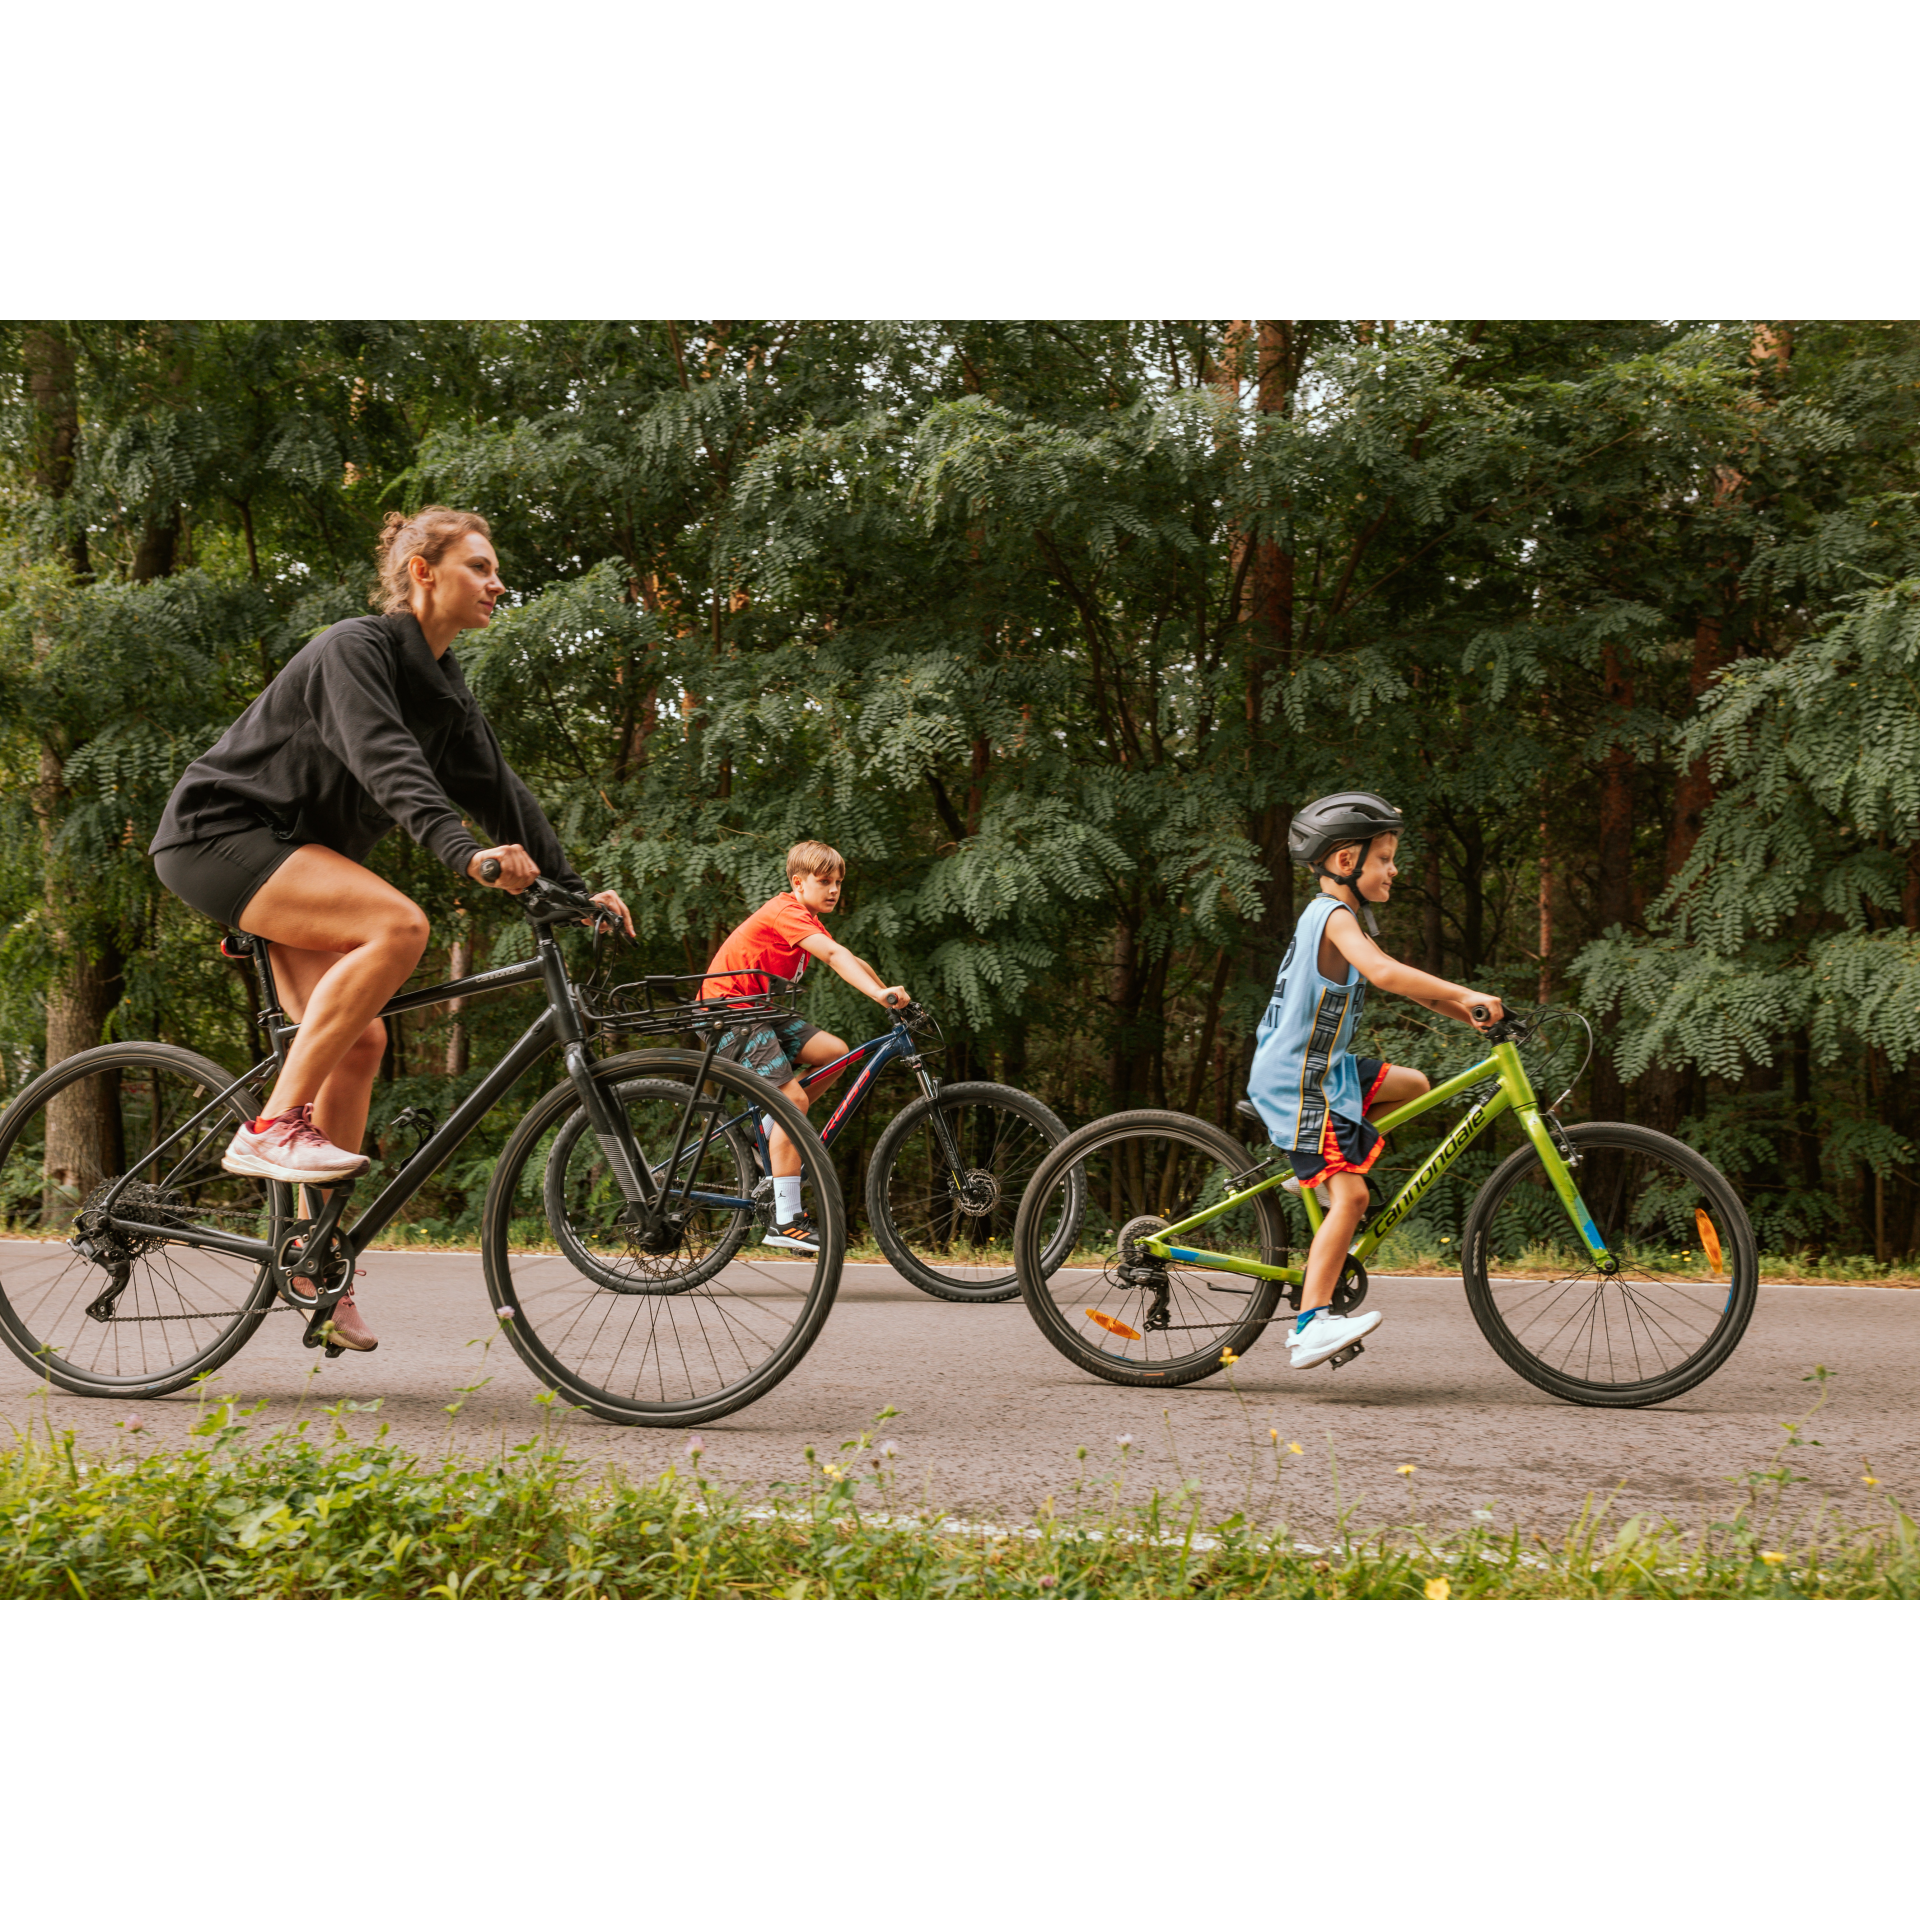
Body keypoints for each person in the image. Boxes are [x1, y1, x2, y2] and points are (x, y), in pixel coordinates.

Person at [149, 506, 632, 1353]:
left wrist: (576, 890)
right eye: (479, 567)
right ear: (423, 571)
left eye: (495, 570)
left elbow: (503, 792)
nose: (497, 582)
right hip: (219, 835)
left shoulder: (445, 691)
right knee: (398, 924)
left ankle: (312, 1257)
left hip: (295, 859)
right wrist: (465, 857)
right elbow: (385, 760)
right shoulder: (355, 650)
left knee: (362, 1042)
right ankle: (270, 1127)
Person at [1246, 791, 1503, 1370]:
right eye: (1384, 858)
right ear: (1345, 862)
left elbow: (1410, 987)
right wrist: (1467, 992)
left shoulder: (1343, 916)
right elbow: (1386, 974)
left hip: (1324, 1069)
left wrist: (1471, 1015)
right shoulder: (1333, 917)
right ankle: (1310, 1323)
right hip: (1297, 1081)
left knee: (1411, 1084)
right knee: (1355, 1196)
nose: (1394, 869)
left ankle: (1318, 1170)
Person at [701, 840, 908, 1254]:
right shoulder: (785, 911)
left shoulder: (804, 915)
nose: (834, 890)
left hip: (757, 1011)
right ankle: (785, 1220)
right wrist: (878, 995)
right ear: (798, 883)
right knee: (793, 1100)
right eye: (824, 881)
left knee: (835, 1053)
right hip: (728, 1013)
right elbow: (832, 955)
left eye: (838, 883)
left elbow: (845, 954)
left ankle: (770, 1127)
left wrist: (886, 990)